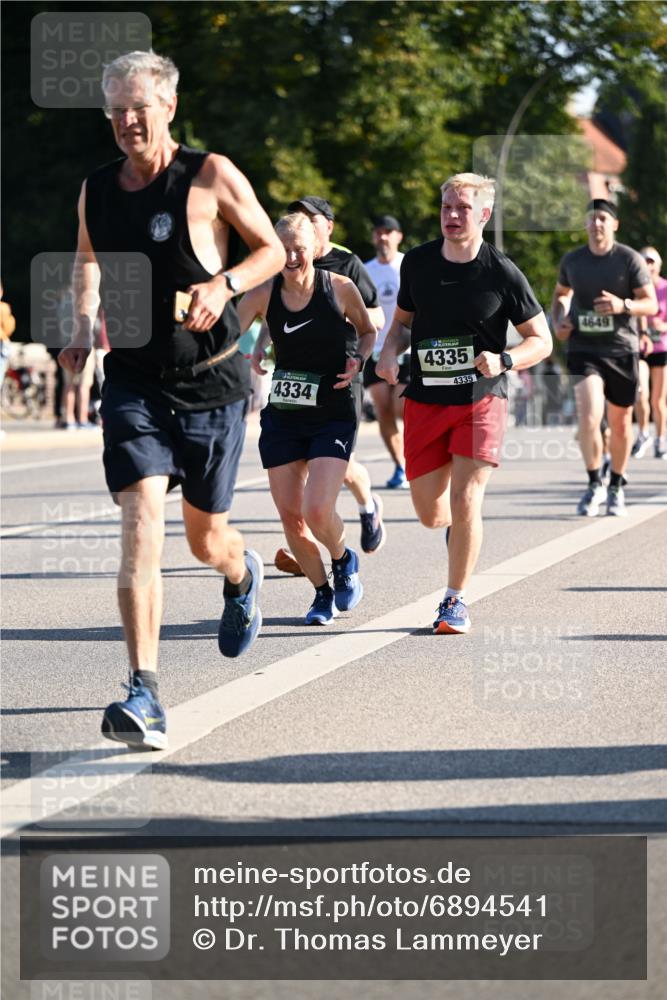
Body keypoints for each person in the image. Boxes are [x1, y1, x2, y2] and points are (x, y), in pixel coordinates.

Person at [58, 51, 285, 750]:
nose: (128, 120)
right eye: (116, 110)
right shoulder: (97, 189)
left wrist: (223, 286)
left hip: (212, 382)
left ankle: (241, 573)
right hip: (133, 382)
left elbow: (271, 251)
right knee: (140, 521)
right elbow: (86, 262)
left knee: (204, 539)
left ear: (169, 108)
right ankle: (144, 688)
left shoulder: (209, 176)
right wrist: (78, 327)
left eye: (139, 107)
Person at [376, 172, 551, 635]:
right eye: (447, 207)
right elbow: (400, 325)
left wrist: (506, 358)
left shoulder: (502, 272)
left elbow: (542, 339)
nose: (452, 216)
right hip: (426, 399)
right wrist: (389, 354)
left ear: (484, 214)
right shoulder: (416, 264)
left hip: (480, 398)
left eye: (463, 209)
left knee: (467, 496)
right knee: (432, 514)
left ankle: (454, 600)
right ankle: (459, 537)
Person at [242, 213, 375, 624]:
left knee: (317, 509)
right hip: (283, 414)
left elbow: (368, 332)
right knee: (291, 517)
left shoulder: (339, 288)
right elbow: (227, 329)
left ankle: (342, 557)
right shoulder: (265, 292)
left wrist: (358, 360)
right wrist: (251, 351)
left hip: (332, 412)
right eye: (283, 249)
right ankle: (321, 592)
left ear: (316, 249)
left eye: (300, 248)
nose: (292, 257)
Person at [259, 196, 387, 575]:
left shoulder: (346, 266)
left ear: (326, 228)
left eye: (312, 219)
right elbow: (271, 312)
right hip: (294, 384)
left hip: (341, 371)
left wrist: (340, 323)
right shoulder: (281, 266)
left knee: (336, 468)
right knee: (301, 470)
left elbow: (374, 316)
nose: (306, 222)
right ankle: (316, 553)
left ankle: (366, 506)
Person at [552, 199, 657, 517]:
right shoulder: (573, 260)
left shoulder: (628, 259)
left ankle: (615, 486)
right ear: (584, 225)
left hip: (621, 350)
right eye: (591, 219)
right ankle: (594, 481)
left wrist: (623, 306)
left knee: (621, 424)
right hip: (585, 350)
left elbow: (650, 304)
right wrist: (560, 321)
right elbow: (560, 295)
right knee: (588, 415)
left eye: (602, 218)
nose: (596, 224)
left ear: (614, 224)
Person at [363, 214, 409, 487]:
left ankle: (417, 458)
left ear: (398, 236)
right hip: (376, 347)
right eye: (379, 232)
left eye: (388, 232)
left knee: (402, 407)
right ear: (373, 237)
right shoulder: (366, 270)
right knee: (383, 408)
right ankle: (400, 467)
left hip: (407, 346)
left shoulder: (408, 265)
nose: (383, 237)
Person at [631, 247, 667, 459]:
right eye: (645, 260)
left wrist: (663, 325)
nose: (649, 265)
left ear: (658, 265)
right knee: (640, 392)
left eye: (652, 261)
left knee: (658, 400)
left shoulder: (665, 287)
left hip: (661, 347)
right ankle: (643, 433)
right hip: (641, 347)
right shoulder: (634, 289)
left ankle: (660, 439)